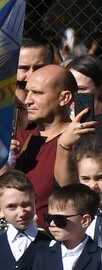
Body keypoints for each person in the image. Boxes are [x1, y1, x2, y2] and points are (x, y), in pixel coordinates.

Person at [14, 64, 84, 218]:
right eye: (28, 92)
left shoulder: (81, 139)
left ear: (64, 98)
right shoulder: (19, 139)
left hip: (55, 235)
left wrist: (64, 147)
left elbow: (72, 195)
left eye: (37, 93)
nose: (27, 101)